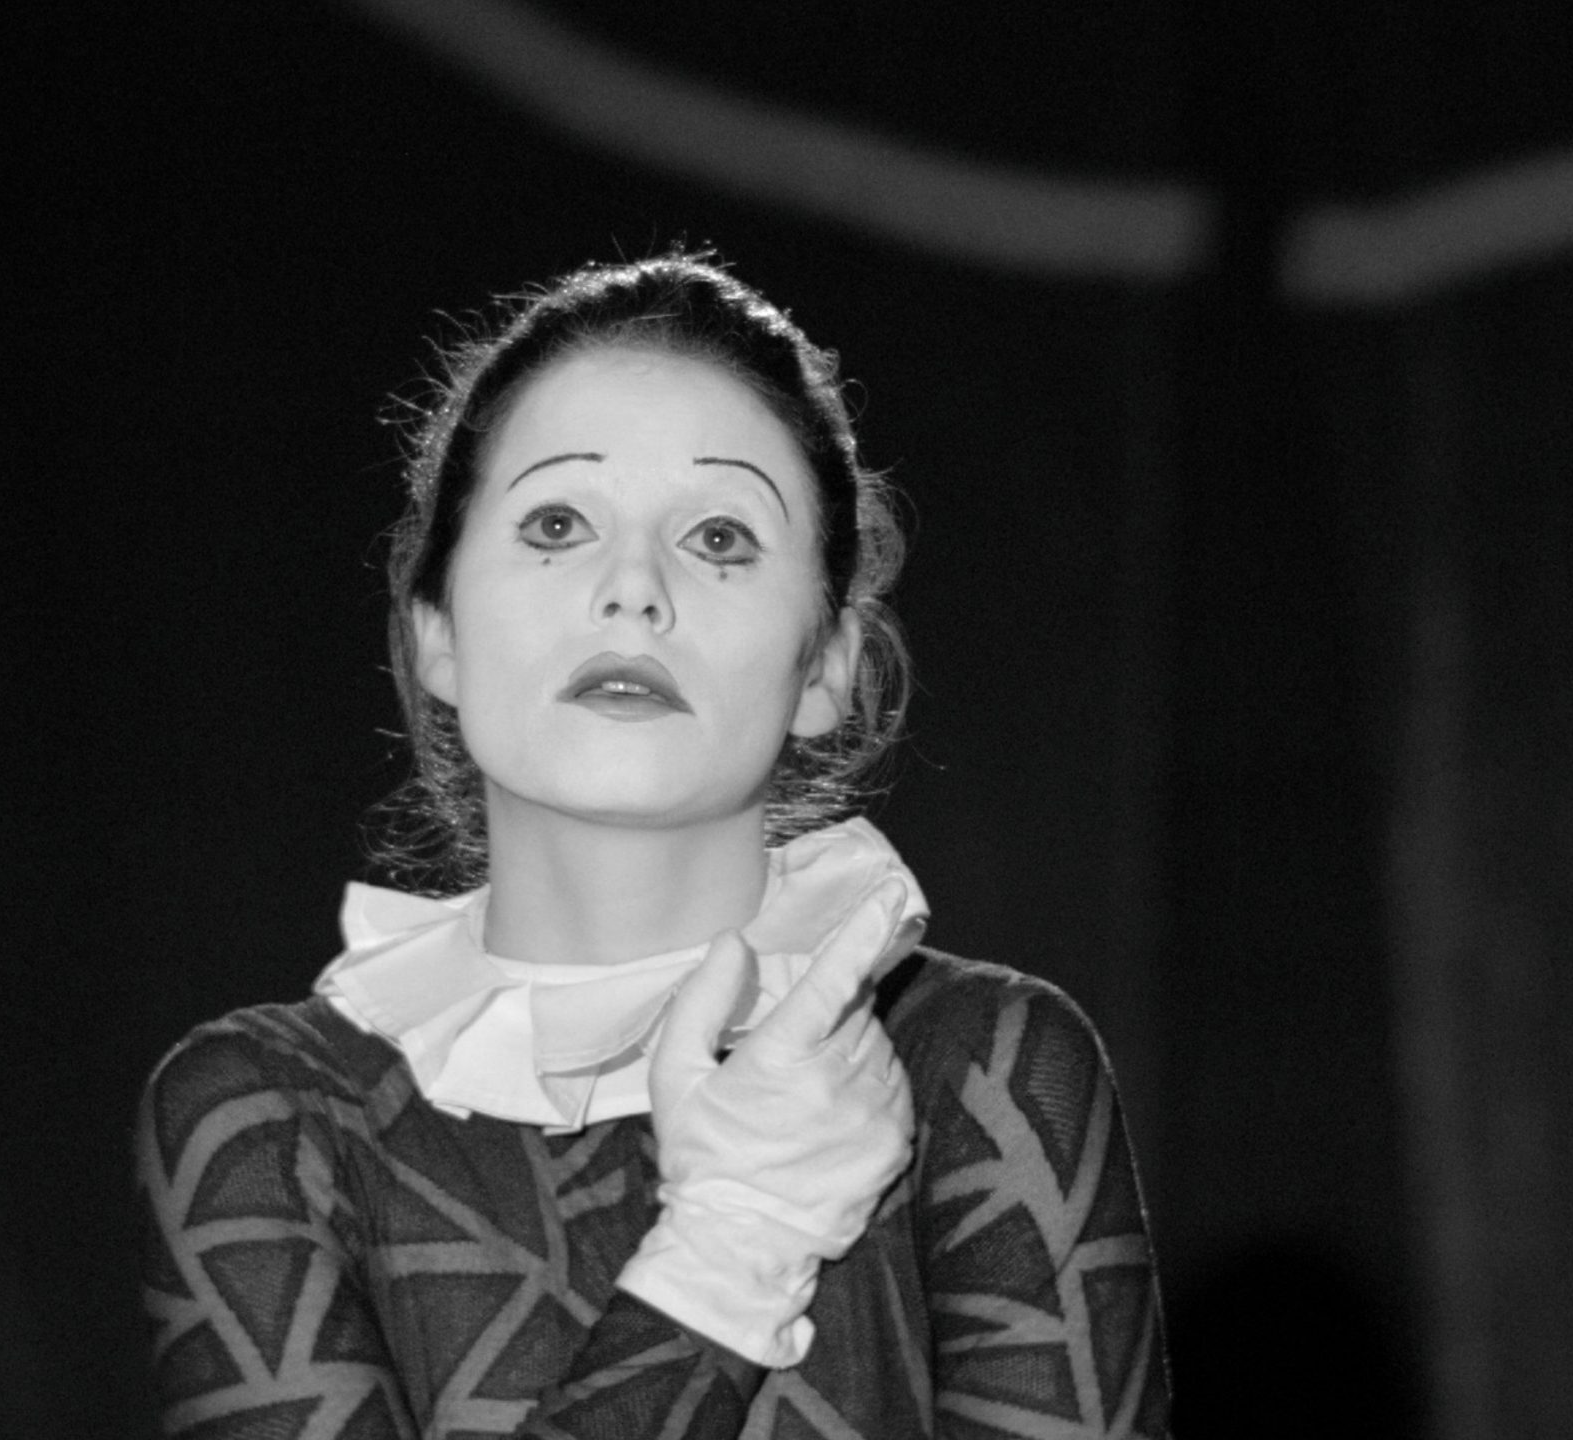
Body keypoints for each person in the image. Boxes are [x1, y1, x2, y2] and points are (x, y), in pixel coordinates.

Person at [135, 255, 1172, 1439]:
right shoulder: (262, 1116)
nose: (633, 590)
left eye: (720, 538)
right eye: (557, 524)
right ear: (436, 635)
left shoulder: (981, 1067)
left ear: (825, 665)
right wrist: (730, 1249)